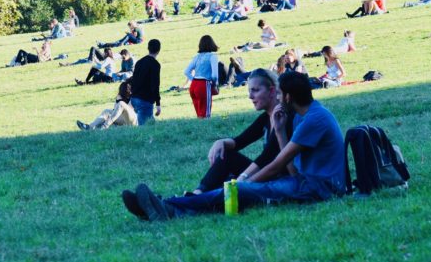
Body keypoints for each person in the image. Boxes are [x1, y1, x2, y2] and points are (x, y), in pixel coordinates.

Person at [123, 71, 346, 220]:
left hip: (320, 188)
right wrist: (277, 131)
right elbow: (291, 169)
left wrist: (243, 185)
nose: (277, 99)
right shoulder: (301, 116)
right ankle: (166, 206)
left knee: (237, 192)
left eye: (278, 94)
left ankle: (169, 208)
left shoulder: (312, 119)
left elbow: (276, 163)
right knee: (235, 187)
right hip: (305, 182)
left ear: (287, 97)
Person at [188, 68, 292, 195]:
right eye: (249, 91)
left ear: (271, 91)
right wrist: (221, 142)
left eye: (255, 90)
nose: (250, 96)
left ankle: (195, 198)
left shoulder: (282, 116)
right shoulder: (266, 117)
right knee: (226, 158)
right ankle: (197, 194)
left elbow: (266, 157)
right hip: (266, 174)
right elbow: (241, 140)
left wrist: (243, 178)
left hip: (278, 178)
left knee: (228, 176)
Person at [184, 35, 219, 118]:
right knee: (206, 115)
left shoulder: (197, 57)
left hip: (193, 86)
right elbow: (214, 75)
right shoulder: (213, 56)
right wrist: (215, 84)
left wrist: (194, 80)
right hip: (204, 84)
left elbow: (186, 71)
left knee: (199, 114)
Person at [129, 39, 162, 125]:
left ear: (148, 48)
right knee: (145, 128)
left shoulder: (139, 62)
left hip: (134, 98)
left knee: (152, 125)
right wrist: (158, 103)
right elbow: (155, 85)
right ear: (159, 50)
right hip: (144, 100)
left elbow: (134, 79)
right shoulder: (155, 64)